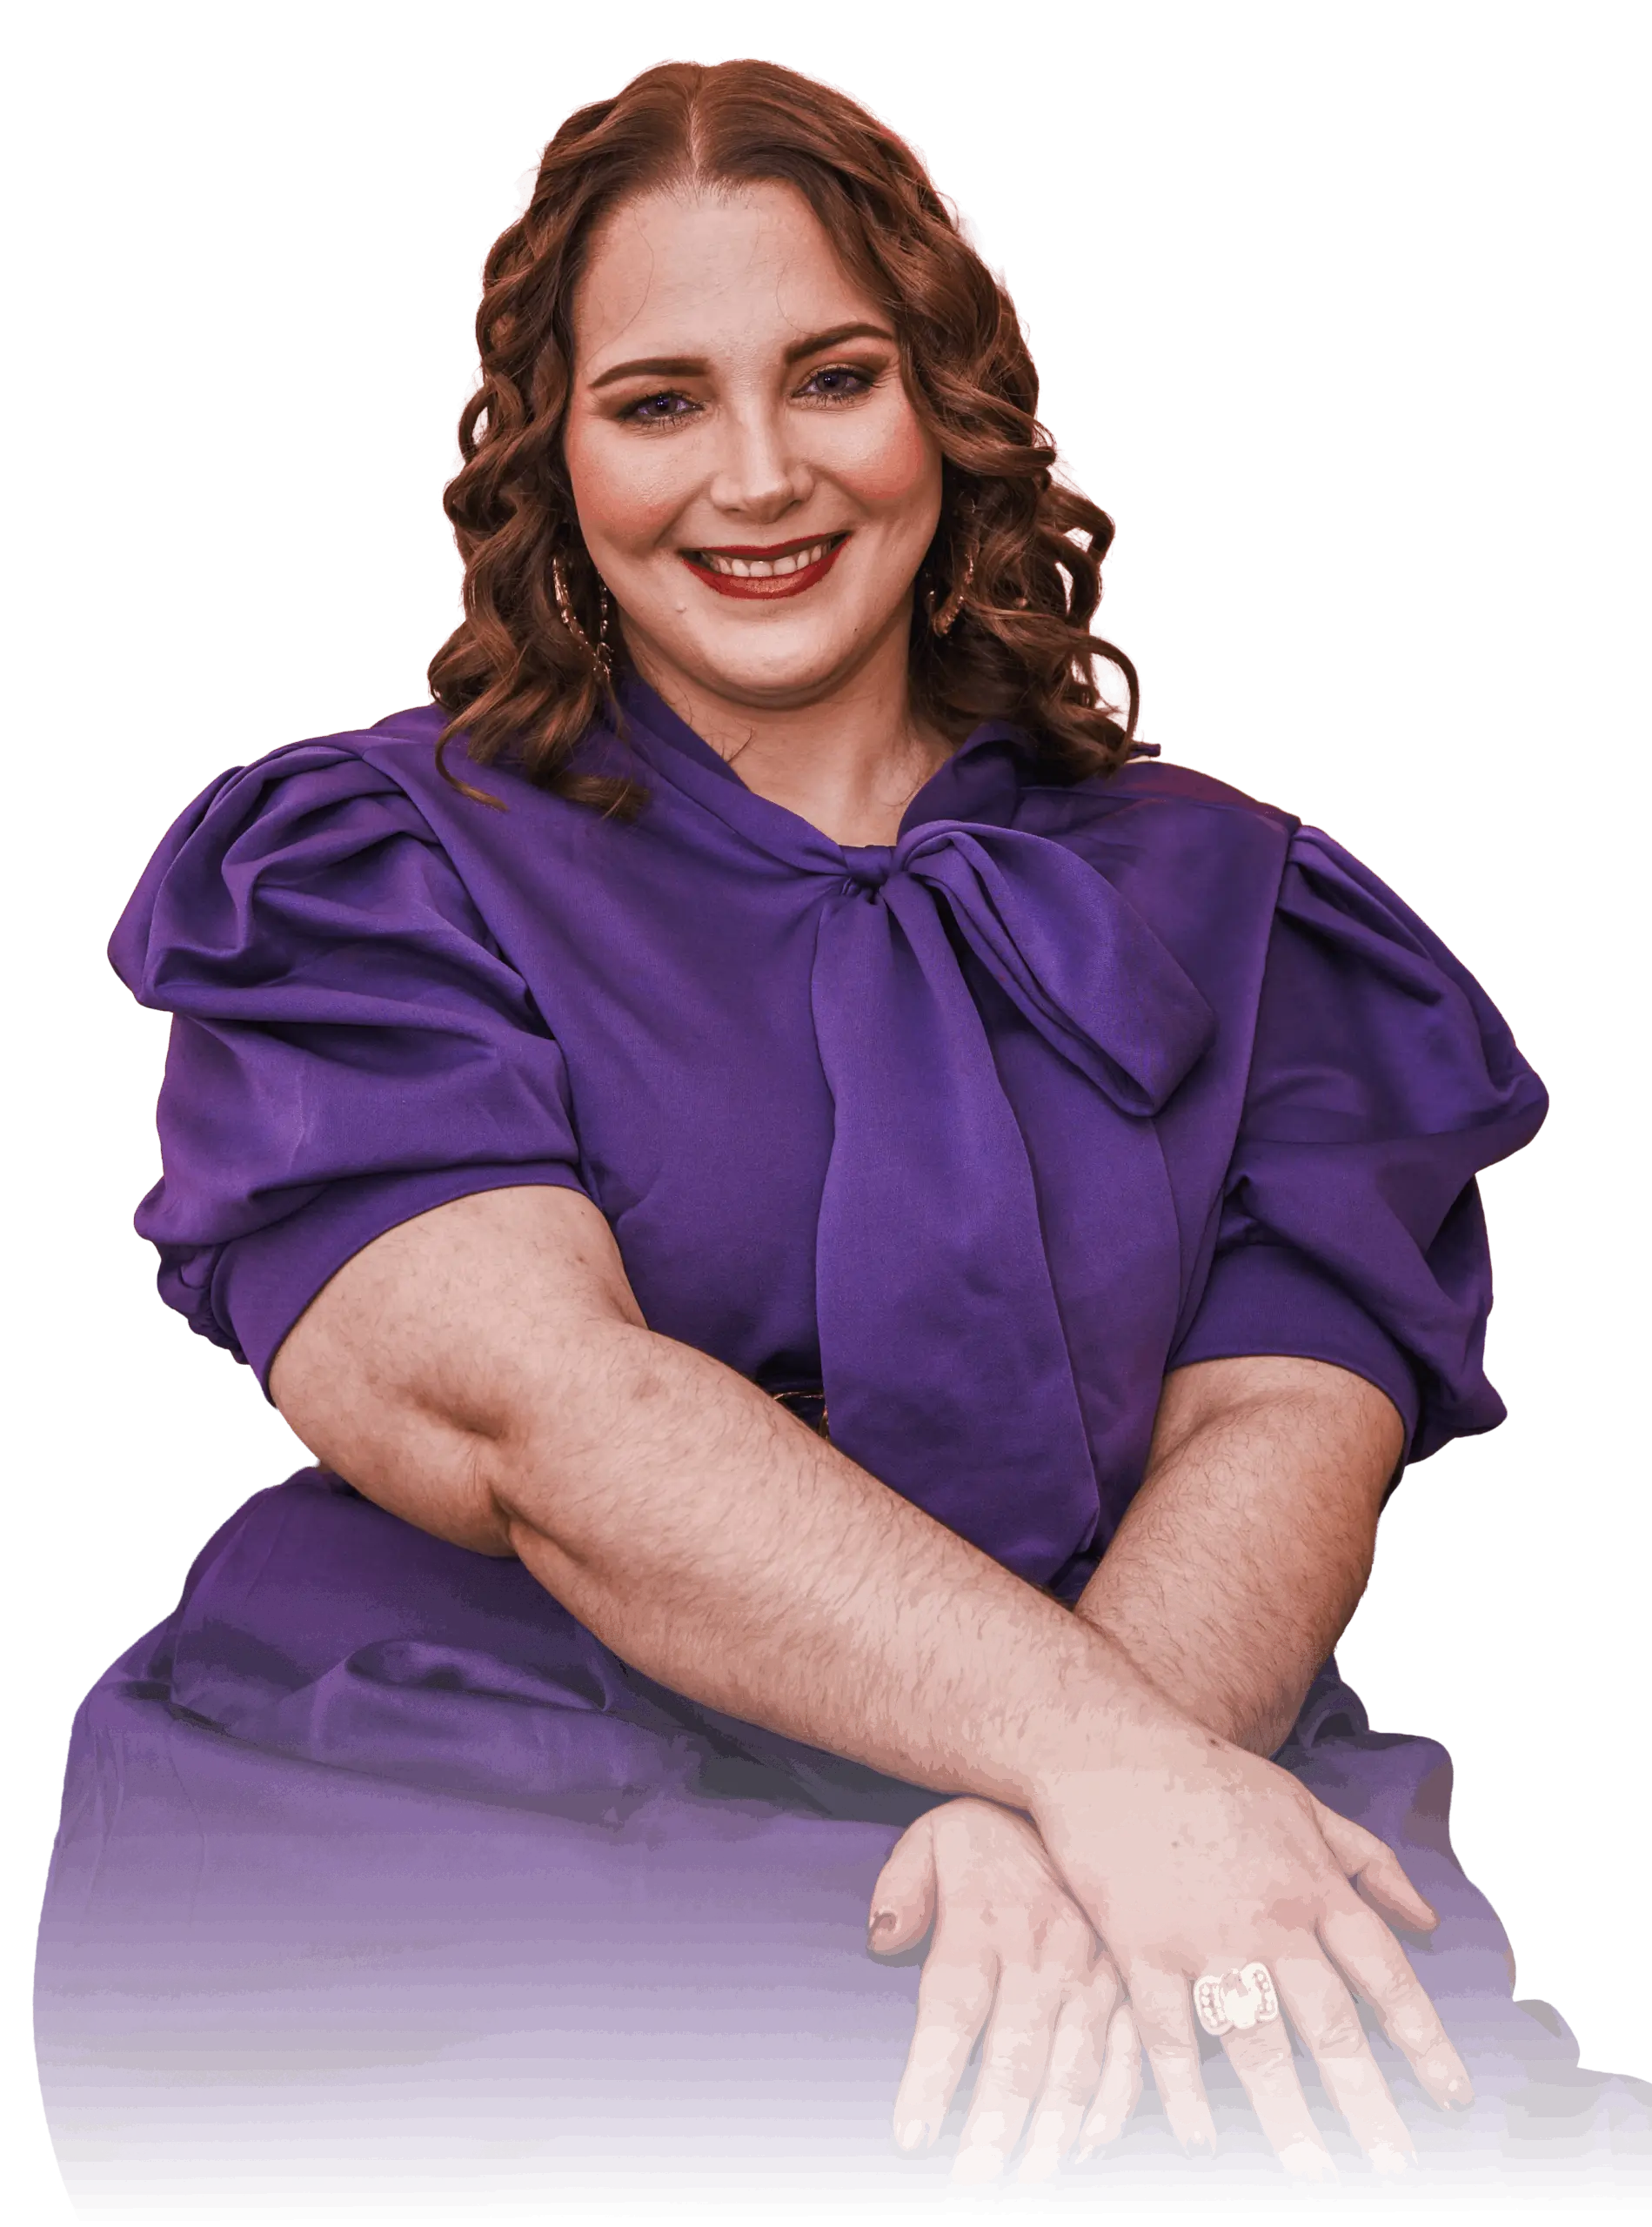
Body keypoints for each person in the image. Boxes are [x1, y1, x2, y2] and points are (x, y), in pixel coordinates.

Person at [36, 56, 1646, 2217]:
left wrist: (1090, 1808)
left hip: (1162, 1748)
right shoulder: (365, 867)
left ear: (948, 407)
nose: (759, 475)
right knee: (1029, 2156)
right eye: (659, 401)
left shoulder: (1246, 898)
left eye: (833, 376)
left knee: (1478, 2147)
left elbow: (1283, 1420)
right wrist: (1090, 1763)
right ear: (549, 453)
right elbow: (540, 1414)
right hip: (482, 1800)